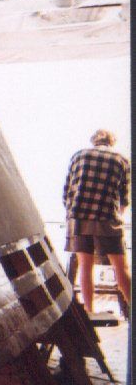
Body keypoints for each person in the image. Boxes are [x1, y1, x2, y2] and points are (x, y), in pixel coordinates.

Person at [63, 129, 130, 316]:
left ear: (94, 141)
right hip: (107, 218)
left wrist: (73, 213)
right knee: (120, 267)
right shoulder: (121, 160)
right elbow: (124, 200)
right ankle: (131, 307)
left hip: (79, 219)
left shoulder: (78, 155)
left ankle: (90, 310)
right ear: (111, 142)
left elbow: (66, 192)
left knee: (85, 266)